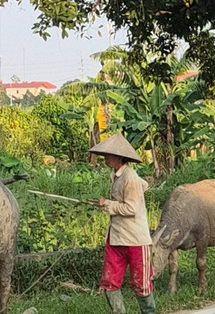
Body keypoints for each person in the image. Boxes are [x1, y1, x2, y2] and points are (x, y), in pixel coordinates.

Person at [90, 133, 155, 314]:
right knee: (109, 282)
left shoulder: (130, 177)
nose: (104, 158)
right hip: (116, 237)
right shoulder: (117, 175)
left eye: (108, 155)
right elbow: (144, 186)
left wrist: (109, 204)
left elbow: (132, 208)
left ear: (119, 157)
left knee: (141, 284)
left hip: (134, 239)